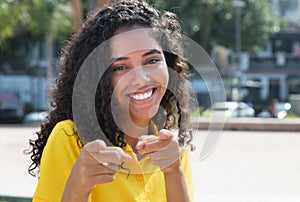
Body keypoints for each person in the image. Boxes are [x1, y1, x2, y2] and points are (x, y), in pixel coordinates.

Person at [26, 0, 195, 201]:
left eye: (152, 60)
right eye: (120, 67)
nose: (141, 78)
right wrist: (77, 188)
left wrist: (174, 172)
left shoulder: (172, 152)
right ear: (99, 78)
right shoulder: (70, 138)